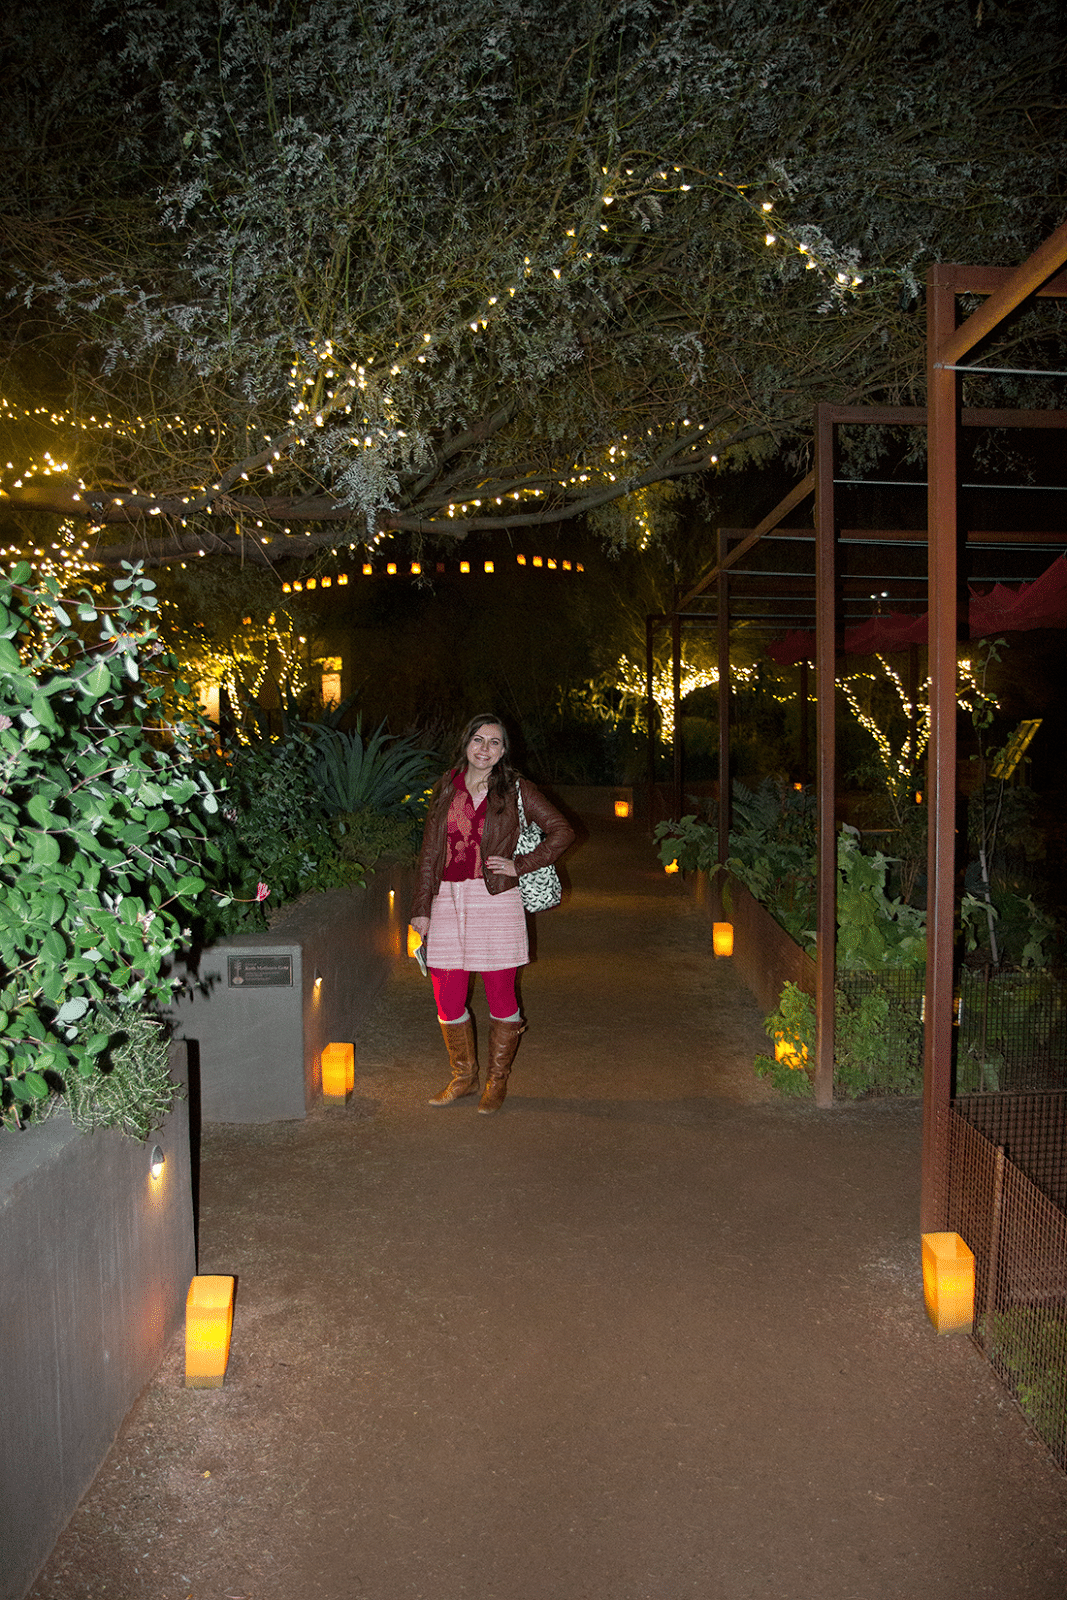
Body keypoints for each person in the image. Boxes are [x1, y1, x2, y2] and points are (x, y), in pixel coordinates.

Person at [409, 714, 574, 1113]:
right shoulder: (446, 786)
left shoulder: (516, 788)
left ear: (504, 750)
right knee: (447, 995)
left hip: (496, 898)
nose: (485, 749)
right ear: (466, 743)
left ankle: (496, 1081)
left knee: (500, 992)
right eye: (478, 740)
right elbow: (431, 851)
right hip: (446, 897)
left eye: (495, 742)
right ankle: (463, 1076)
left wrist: (520, 864)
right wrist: (421, 908)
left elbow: (561, 830)